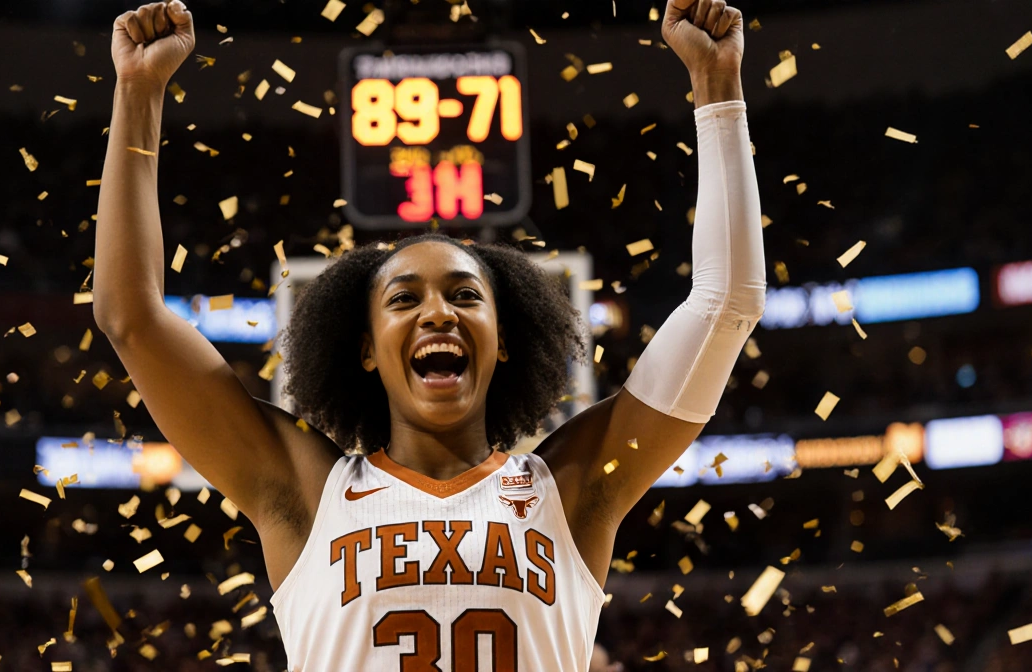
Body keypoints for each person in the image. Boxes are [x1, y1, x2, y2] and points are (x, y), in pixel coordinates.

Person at [93, 0, 763, 669]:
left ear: (504, 341)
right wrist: (138, 93)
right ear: (363, 347)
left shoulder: (573, 488)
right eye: (404, 298)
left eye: (466, 295)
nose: (438, 313)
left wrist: (717, 85)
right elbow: (131, 318)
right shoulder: (300, 490)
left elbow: (726, 305)